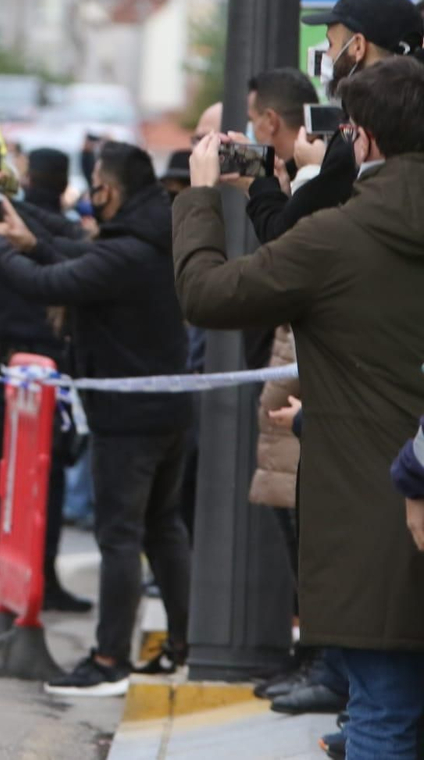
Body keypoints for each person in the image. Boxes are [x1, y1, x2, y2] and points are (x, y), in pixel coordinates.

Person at [177, 56, 424, 758]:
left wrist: (199, 199)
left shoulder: (335, 238)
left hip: (376, 514)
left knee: (382, 713)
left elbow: (208, 294)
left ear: (366, 140)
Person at [0, 142, 193, 697]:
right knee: (162, 529)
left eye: (95, 187)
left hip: (129, 417)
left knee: (120, 536)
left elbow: (54, 282)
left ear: (108, 191)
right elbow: (78, 254)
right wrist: (22, 225)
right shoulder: (152, 233)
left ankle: (108, 658)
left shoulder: (127, 251)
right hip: (165, 410)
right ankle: (185, 645)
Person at [0, 148, 91, 613]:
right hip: (46, 363)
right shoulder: (63, 232)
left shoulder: (1, 220)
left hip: (5, 360)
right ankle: (44, 574)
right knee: (47, 475)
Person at [249, 0, 424, 243]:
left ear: (358, 47)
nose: (327, 56)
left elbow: (285, 238)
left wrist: (262, 183)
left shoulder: (358, 136)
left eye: (331, 44)